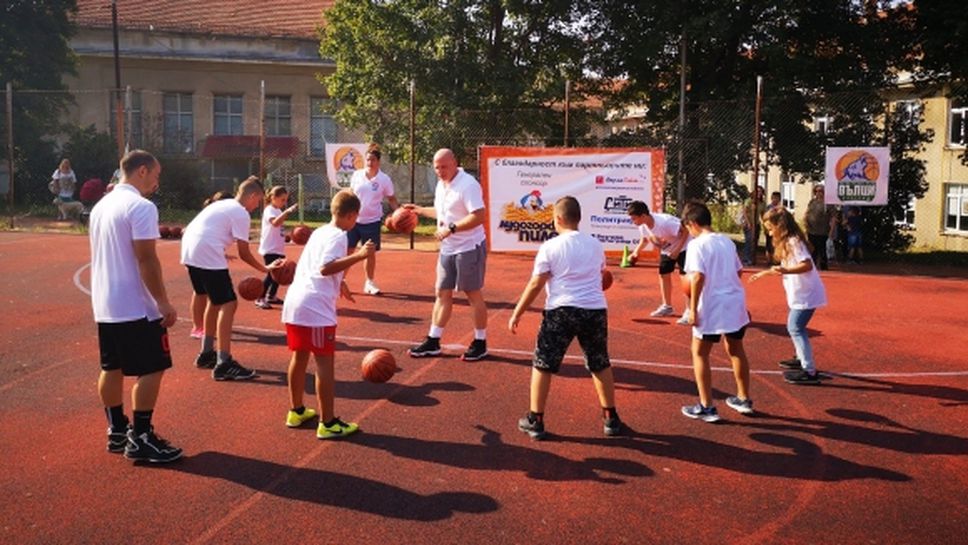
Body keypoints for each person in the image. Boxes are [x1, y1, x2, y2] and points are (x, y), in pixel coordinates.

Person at [88, 149, 182, 463]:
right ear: (141, 171)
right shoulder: (140, 207)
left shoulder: (102, 206)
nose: (157, 182)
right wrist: (163, 302)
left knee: (111, 366)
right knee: (154, 367)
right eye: (155, 175)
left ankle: (117, 430)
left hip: (105, 302)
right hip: (135, 304)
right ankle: (141, 437)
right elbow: (147, 259)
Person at [509, 196, 623, 439]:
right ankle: (610, 418)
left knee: (543, 364)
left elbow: (535, 284)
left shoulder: (550, 247)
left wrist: (517, 311)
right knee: (600, 362)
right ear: (578, 218)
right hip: (594, 310)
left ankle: (535, 419)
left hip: (561, 310)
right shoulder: (595, 244)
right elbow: (602, 275)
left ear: (558, 219)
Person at [281, 190, 373, 439]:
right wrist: (359, 256)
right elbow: (324, 268)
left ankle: (296, 410)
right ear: (352, 215)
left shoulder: (320, 231)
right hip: (315, 308)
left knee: (299, 357)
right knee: (324, 363)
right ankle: (328, 423)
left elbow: (314, 264)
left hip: (295, 302)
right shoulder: (339, 236)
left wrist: (340, 283)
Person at [181, 176, 269, 381]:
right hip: (206, 252)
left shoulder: (224, 204)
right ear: (253, 195)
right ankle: (224, 362)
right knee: (229, 303)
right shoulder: (240, 212)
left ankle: (206, 353)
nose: (257, 206)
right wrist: (265, 269)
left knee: (215, 301)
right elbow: (244, 253)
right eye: (258, 201)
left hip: (189, 251)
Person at [405, 149, 489, 361]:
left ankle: (480, 342)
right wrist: (420, 210)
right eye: (436, 167)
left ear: (455, 163)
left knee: (472, 293)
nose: (440, 171)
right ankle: (433, 341)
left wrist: (452, 228)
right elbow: (442, 212)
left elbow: (479, 215)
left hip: (469, 246)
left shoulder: (468, 184)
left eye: (444, 166)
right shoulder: (441, 185)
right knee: (442, 293)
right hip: (448, 248)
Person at [680, 200, 753, 422]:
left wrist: (692, 310)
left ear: (692, 223)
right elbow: (739, 271)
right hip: (735, 301)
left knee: (700, 353)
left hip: (712, 304)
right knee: (736, 349)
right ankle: (744, 399)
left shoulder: (696, 245)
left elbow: (698, 277)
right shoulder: (727, 242)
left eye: (688, 228)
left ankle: (707, 406)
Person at [749, 206, 827, 385]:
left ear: (780, 226)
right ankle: (801, 358)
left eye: (770, 228)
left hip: (807, 294)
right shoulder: (788, 241)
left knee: (795, 327)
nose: (768, 232)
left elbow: (806, 264)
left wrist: (784, 270)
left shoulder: (793, 241)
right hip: (800, 294)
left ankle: (809, 370)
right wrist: (766, 273)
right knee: (796, 327)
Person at [626, 200, 691, 324]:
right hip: (667, 249)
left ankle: (689, 310)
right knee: (663, 274)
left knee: (685, 279)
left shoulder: (665, 222)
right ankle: (667, 307)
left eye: (634, 219)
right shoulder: (643, 225)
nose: (633, 222)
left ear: (643, 216)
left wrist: (677, 250)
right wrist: (635, 252)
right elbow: (644, 240)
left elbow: (686, 230)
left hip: (684, 247)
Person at [347, 145, 400, 295]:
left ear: (378, 161)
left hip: (372, 221)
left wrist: (399, 212)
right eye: (368, 159)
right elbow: (351, 194)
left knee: (369, 253)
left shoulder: (384, 179)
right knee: (348, 251)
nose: (370, 162)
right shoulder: (357, 175)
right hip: (353, 220)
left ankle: (369, 283)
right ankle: (340, 281)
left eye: (373, 160)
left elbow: (391, 199)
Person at [188, 191, 234, 339]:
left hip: (193, 255)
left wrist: (222, 254)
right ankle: (202, 328)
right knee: (207, 295)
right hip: (200, 258)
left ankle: (199, 326)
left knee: (201, 293)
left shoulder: (212, 214)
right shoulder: (217, 214)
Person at [255, 186, 298, 309]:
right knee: (271, 274)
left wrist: (285, 237)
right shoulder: (269, 210)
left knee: (279, 273)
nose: (284, 203)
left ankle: (271, 296)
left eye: (286, 200)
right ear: (273, 198)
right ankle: (260, 297)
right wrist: (287, 211)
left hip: (277, 248)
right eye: (282, 200)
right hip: (270, 249)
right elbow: (275, 223)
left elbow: (278, 228)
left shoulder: (278, 211)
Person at [803, 185, 835, 270]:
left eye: (821, 191)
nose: (818, 193)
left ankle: (823, 266)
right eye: (817, 191)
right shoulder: (812, 202)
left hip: (822, 230)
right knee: (812, 249)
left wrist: (831, 231)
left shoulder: (828, 204)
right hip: (811, 230)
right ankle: (812, 267)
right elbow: (807, 212)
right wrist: (805, 222)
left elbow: (833, 217)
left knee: (822, 249)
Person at [742, 186, 766, 266]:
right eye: (757, 191)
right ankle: (746, 259)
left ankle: (752, 258)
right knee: (749, 241)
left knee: (755, 242)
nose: (759, 193)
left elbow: (763, 214)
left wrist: (765, 223)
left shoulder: (762, 203)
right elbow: (744, 212)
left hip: (756, 224)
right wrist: (748, 223)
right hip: (748, 223)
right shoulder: (749, 201)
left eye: (761, 192)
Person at [764, 191, 782, 264]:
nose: (775, 199)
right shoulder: (768, 207)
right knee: (769, 245)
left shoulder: (781, 208)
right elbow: (765, 218)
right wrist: (768, 228)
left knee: (777, 245)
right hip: (770, 229)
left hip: (778, 229)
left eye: (777, 198)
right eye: (773, 198)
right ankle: (769, 259)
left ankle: (776, 260)